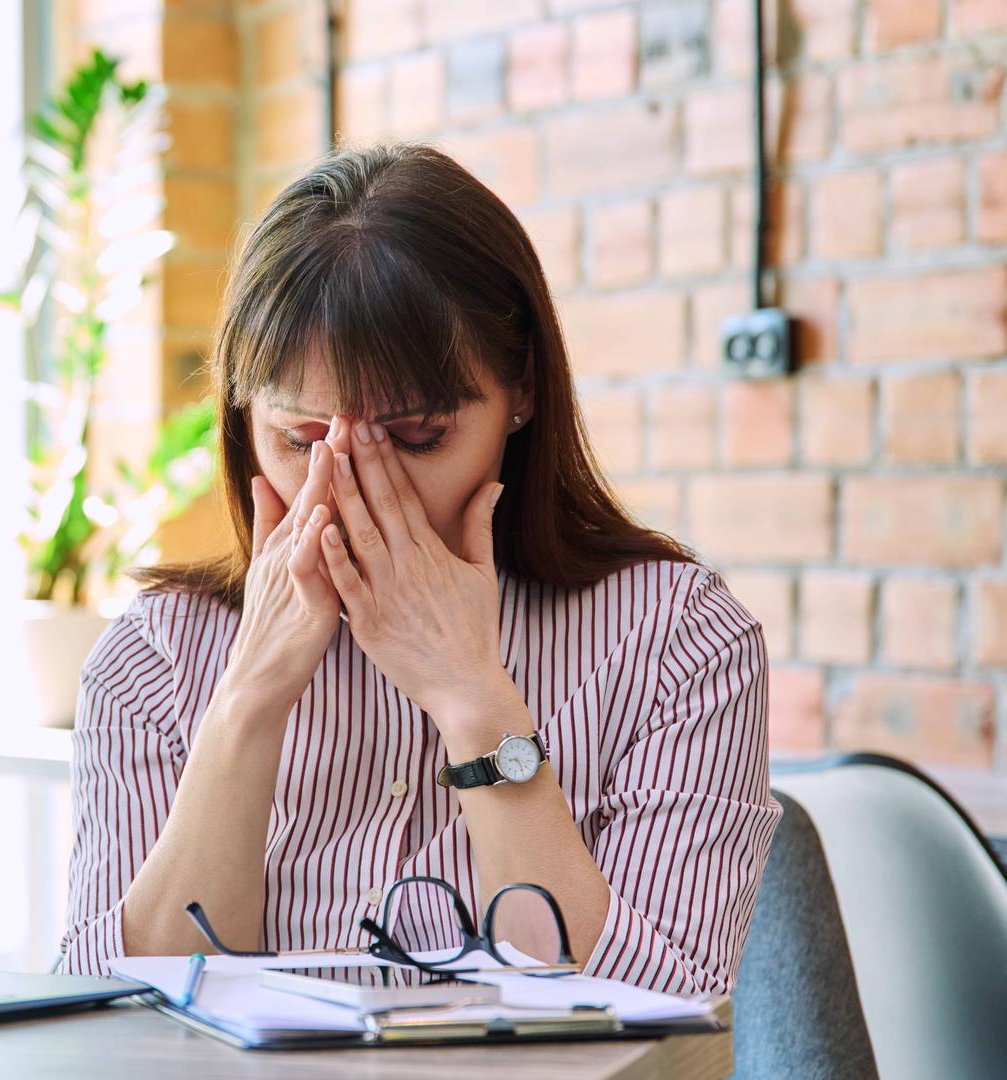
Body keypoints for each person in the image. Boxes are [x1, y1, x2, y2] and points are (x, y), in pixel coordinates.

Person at [58, 143, 779, 997]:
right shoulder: (157, 658)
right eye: (301, 439)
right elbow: (112, 1027)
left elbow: (664, 1019)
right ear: (244, 415)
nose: (358, 480)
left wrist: (474, 699)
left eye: (417, 438)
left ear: (523, 392)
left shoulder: (678, 643)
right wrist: (247, 701)